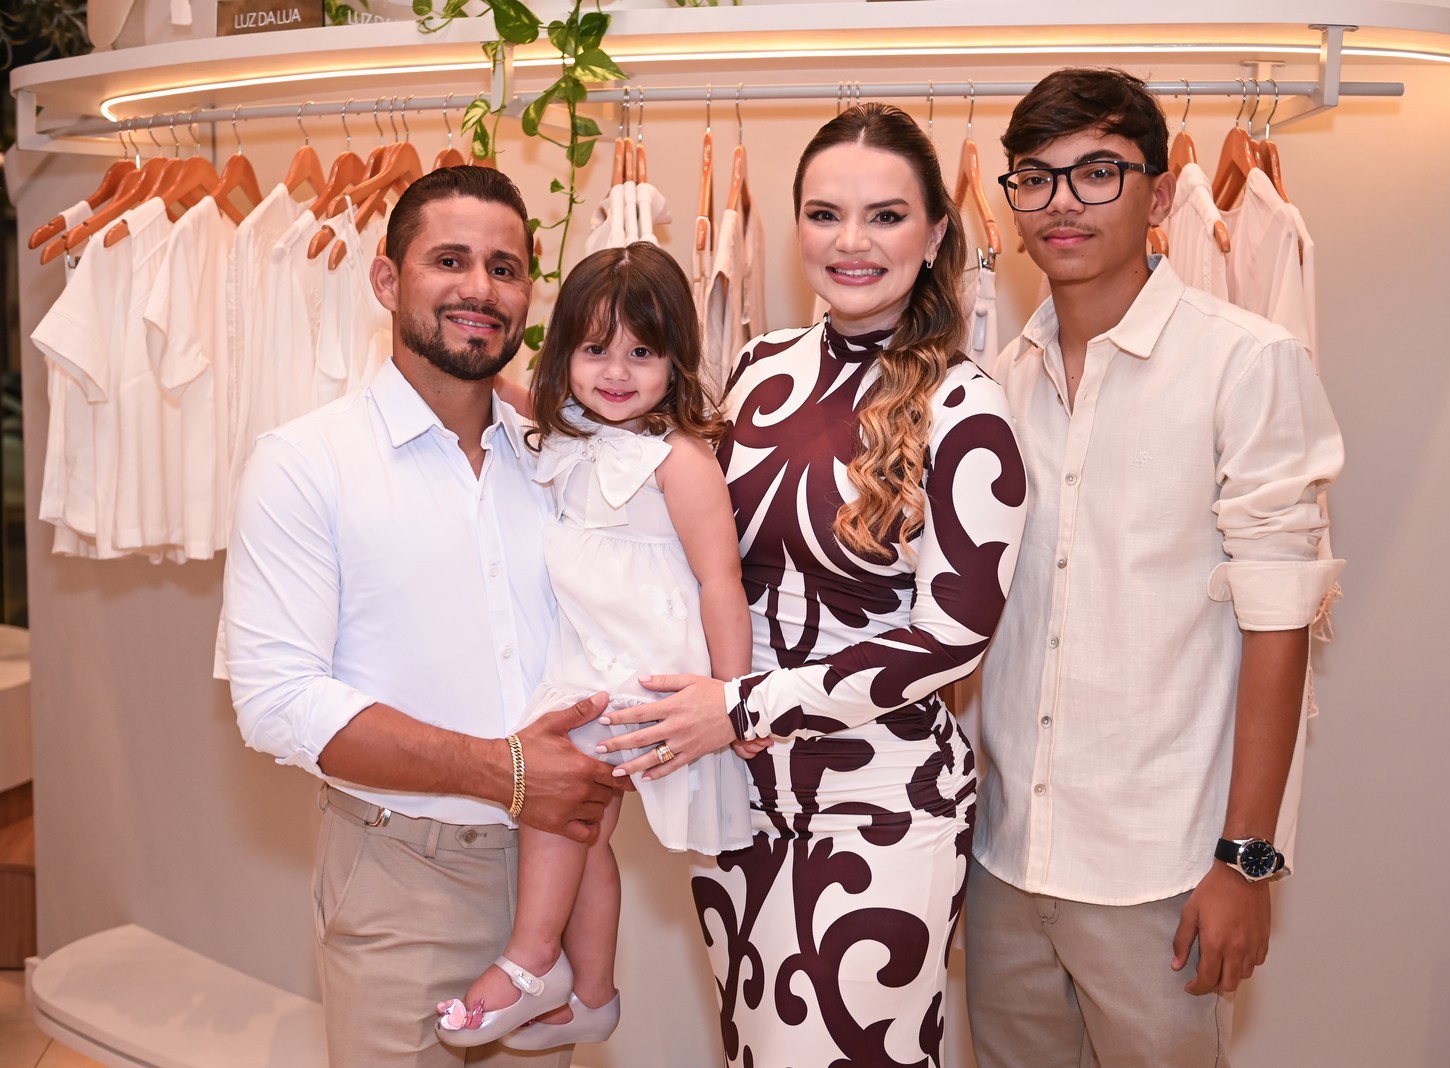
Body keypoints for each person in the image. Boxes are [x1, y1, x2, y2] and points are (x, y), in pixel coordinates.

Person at [598, 103, 1028, 1067]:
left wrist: (741, 705)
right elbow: (695, 543)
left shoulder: (968, 406)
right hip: (736, 789)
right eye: (825, 214)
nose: (851, 242)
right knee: (755, 1049)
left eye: (885, 216)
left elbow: (952, 636)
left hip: (878, 800)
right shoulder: (757, 369)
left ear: (936, 235)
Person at [964, 68, 1345, 1067]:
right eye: (1035, 178)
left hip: (1162, 873)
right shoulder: (992, 385)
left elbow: (1279, 621)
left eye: (1097, 173)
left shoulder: (1245, 363)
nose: (1062, 203)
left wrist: (1245, 861)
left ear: (1161, 192)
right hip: (1004, 863)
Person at [223, 165, 623, 1068]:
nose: (480, 288)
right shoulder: (305, 463)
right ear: (385, 278)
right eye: (450, 260)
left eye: (505, 268)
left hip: (558, 874)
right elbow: (276, 702)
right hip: (401, 879)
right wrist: (509, 771)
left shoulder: (561, 463)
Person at [434, 241, 755, 1050]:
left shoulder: (679, 461)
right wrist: (467, 366)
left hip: (645, 671)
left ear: (676, 359)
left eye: (642, 353)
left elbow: (721, 582)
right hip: (586, 660)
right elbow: (505, 390)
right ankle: (593, 995)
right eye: (594, 349)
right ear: (565, 354)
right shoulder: (567, 434)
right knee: (586, 830)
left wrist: (735, 698)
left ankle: (531, 959)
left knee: (561, 810)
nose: (616, 372)